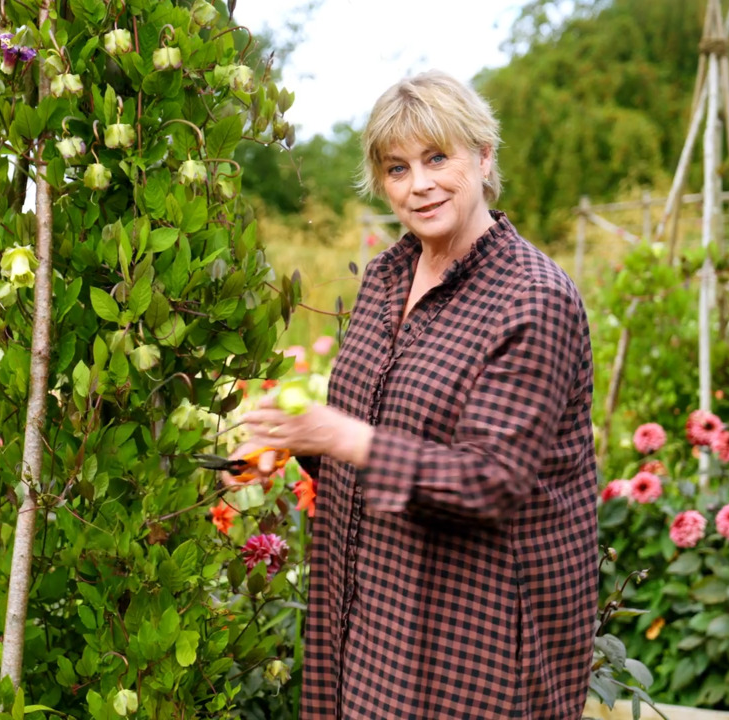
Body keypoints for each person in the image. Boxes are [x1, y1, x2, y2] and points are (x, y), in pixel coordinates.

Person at [227, 70, 598, 719]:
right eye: (397, 168)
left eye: (436, 158)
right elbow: (369, 428)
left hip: (475, 628)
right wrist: (293, 440)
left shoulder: (533, 298)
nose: (419, 184)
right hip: (374, 604)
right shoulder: (386, 276)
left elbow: (490, 481)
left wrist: (342, 436)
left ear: (483, 157)